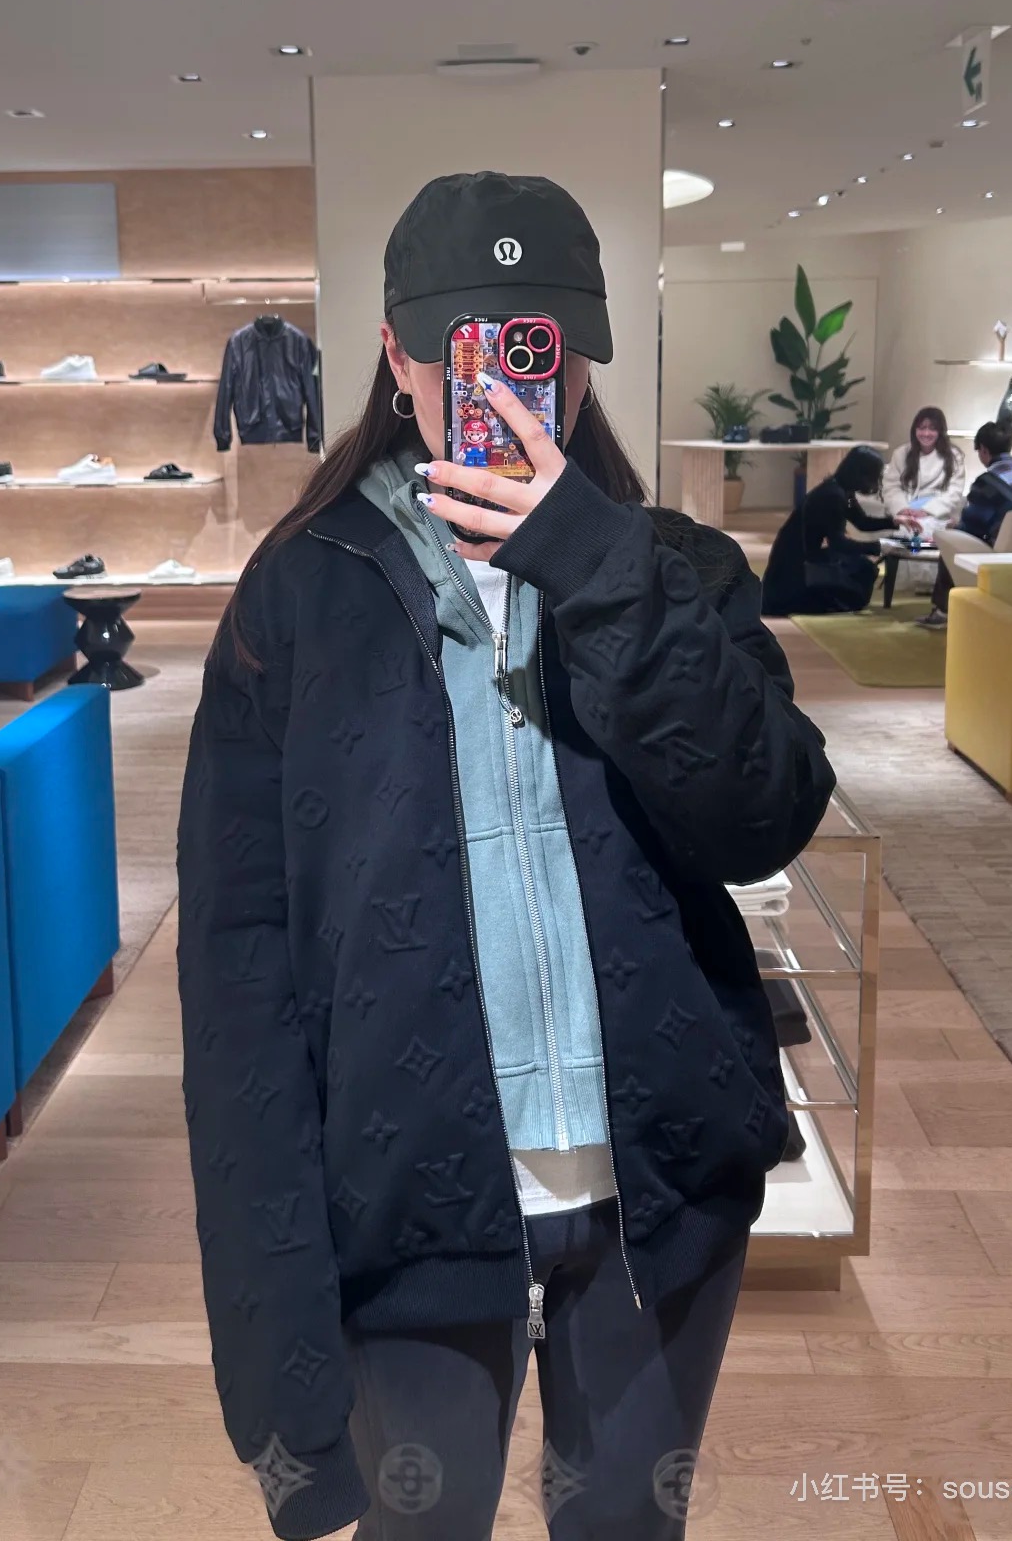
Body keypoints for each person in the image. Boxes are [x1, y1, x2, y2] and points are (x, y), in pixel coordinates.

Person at [178, 170, 836, 1541]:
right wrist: (270, 1310)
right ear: (397, 354)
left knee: (627, 1526)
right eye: (467, 348)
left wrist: (596, 563)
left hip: (662, 1178)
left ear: (584, 357)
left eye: (539, 347)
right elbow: (239, 966)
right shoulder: (299, 595)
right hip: (406, 1189)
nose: (507, 384)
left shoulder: (672, 567)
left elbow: (762, 814)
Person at [919, 421, 1012, 627]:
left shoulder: (988, 481)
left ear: (983, 449)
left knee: (950, 540)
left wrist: (954, 527)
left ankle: (942, 612)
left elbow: (972, 526)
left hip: (1004, 552)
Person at [761, 445, 894, 618]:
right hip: (797, 567)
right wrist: (878, 547)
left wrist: (895, 522)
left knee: (863, 567)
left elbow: (862, 522)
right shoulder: (832, 496)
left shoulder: (841, 490)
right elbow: (838, 544)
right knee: (864, 571)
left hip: (802, 557)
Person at [880, 406, 966, 530]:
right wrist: (903, 509)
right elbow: (891, 487)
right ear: (915, 430)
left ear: (940, 431)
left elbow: (954, 491)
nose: (926, 433)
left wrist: (927, 510)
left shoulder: (954, 456)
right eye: (922, 428)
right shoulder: (901, 453)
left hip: (937, 515)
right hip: (906, 513)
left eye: (932, 429)